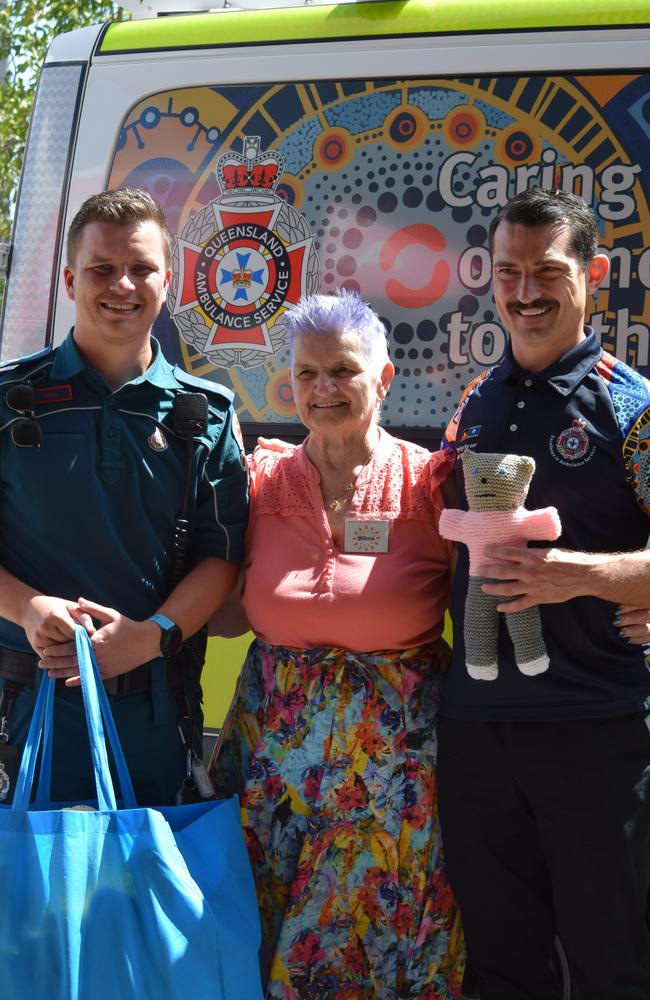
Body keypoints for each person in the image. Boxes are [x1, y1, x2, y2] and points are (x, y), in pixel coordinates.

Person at [208, 290, 464, 998]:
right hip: (270, 768)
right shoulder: (259, 483)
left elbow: (491, 595)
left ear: (383, 380)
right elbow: (226, 608)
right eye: (308, 374)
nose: (323, 390)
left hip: (393, 780)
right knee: (257, 934)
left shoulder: (430, 486)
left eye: (343, 371)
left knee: (379, 952)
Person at [437, 187, 650, 999]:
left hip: (594, 731)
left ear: (593, 274)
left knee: (611, 967)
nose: (526, 292)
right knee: (499, 967)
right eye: (509, 272)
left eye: (548, 272)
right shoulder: (474, 402)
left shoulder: (629, 405)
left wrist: (580, 576)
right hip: (477, 731)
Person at [0, 187, 248, 807]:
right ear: (67, 279)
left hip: (155, 716)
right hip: (20, 715)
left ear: (169, 280)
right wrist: (29, 609)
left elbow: (222, 558)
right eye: (102, 269)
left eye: (140, 268)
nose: (122, 285)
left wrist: (152, 635)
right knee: (24, 901)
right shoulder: (7, 401)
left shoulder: (206, 414)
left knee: (142, 901)